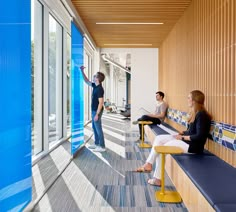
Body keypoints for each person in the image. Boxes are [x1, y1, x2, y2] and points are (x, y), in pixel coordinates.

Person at [135, 90, 212, 186]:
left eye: (189, 98)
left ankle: (157, 178)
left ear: (194, 101)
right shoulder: (196, 113)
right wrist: (182, 133)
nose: (187, 100)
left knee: (162, 148)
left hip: (194, 147)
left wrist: (182, 138)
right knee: (159, 139)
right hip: (187, 142)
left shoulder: (201, 115)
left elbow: (199, 136)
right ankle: (149, 164)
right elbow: (192, 131)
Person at [80, 66, 106, 152]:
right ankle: (97, 143)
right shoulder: (95, 85)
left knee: (98, 128)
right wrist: (82, 71)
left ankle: (102, 146)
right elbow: (86, 81)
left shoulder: (99, 89)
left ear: (97, 79)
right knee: (94, 128)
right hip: (94, 110)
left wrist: (97, 114)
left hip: (97, 111)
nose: (93, 76)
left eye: (95, 76)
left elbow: (101, 102)